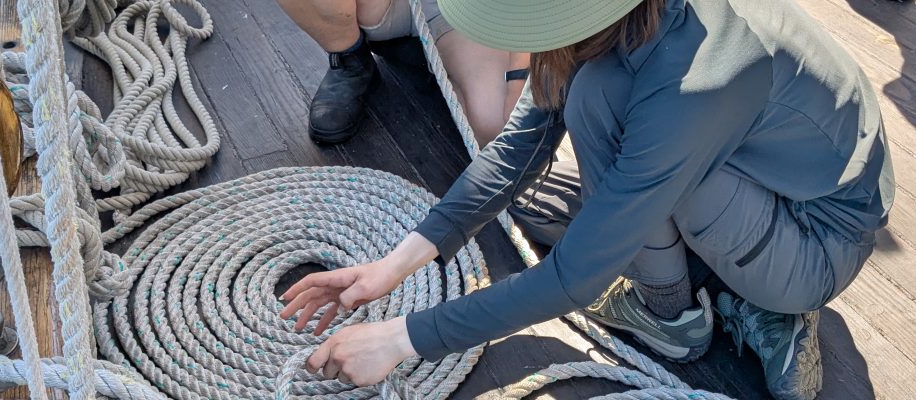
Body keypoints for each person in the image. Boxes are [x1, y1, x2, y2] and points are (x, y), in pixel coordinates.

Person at [279, 0, 895, 399]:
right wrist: (394, 266)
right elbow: (519, 144)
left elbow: (575, 278)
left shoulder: (699, 77)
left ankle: (751, 306)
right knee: (596, 96)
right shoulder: (630, 22)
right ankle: (683, 305)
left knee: (630, 133)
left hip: (815, 239)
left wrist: (399, 339)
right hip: (748, 169)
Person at [275, 0, 529, 145]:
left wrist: (518, 78)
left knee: (498, 126)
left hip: (471, 13)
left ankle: (435, 58)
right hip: (380, 7)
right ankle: (349, 57)